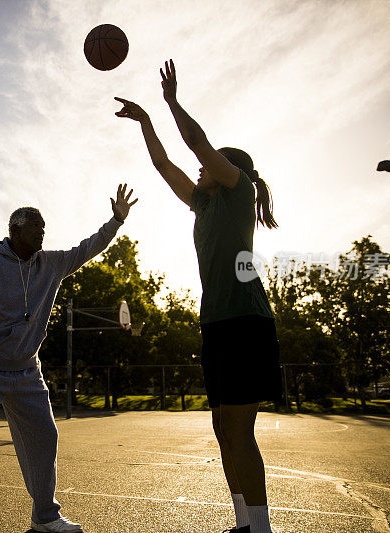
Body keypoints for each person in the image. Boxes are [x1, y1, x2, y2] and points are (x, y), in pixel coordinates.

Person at [115, 60, 281, 533]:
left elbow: (194, 143)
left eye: (208, 164)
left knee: (237, 429)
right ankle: (244, 523)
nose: (199, 168)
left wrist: (170, 102)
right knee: (220, 428)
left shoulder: (238, 190)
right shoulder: (203, 203)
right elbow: (164, 163)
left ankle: (262, 530)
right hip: (216, 325)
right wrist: (146, 120)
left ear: (226, 170)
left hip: (247, 322)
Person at [0, 184, 138, 533]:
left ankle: (45, 516)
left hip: (26, 370)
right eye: (35, 226)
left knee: (45, 436)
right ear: (15, 231)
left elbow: (88, 248)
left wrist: (115, 220)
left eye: (44, 227)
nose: (42, 232)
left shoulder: (51, 264)